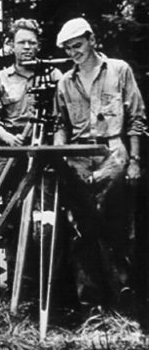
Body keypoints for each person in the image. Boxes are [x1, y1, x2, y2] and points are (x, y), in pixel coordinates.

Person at [54, 17, 146, 311]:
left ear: (92, 40)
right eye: (68, 49)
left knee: (118, 228)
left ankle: (124, 300)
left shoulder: (119, 70)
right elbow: (61, 124)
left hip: (113, 156)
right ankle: (90, 305)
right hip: (79, 162)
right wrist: (60, 152)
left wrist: (134, 161)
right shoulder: (65, 83)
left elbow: (137, 119)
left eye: (78, 45)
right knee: (81, 232)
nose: (74, 53)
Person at [0, 19, 61, 168]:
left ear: (38, 46)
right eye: (21, 42)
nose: (26, 47)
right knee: (9, 183)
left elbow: (64, 113)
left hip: (45, 147)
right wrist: (9, 138)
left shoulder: (53, 75)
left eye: (31, 43)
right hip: (11, 151)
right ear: (12, 45)